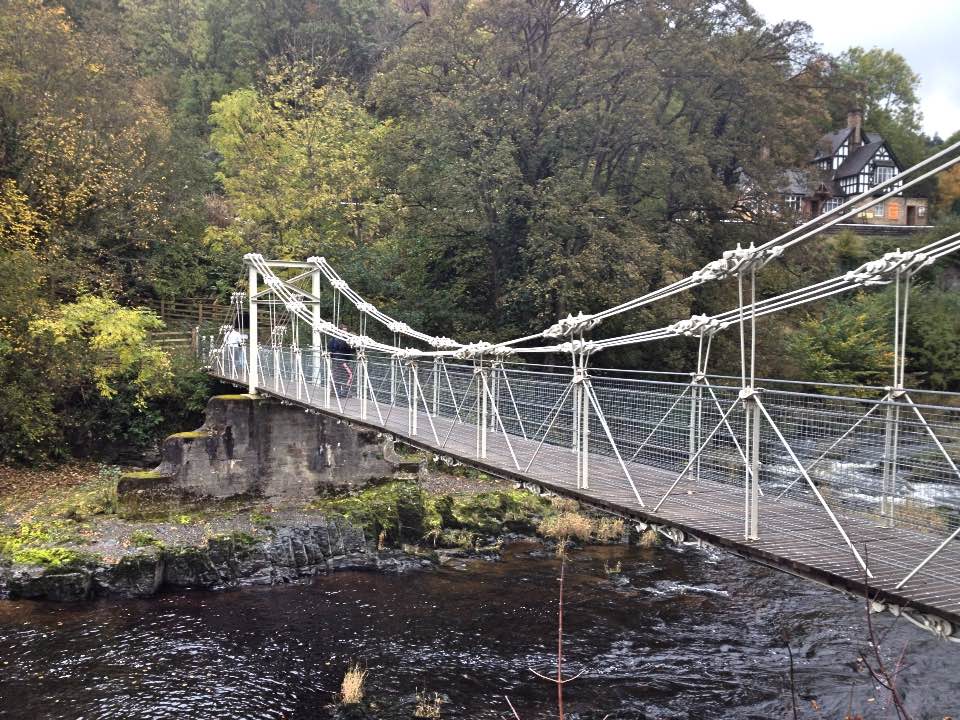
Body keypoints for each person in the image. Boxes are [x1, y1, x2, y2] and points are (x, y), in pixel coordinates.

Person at [327, 326, 355, 398]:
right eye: (343, 331)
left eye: (346, 331)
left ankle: (341, 392)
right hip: (340, 360)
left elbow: (350, 350)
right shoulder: (337, 339)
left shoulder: (344, 339)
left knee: (344, 376)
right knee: (345, 375)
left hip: (343, 360)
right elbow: (335, 348)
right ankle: (339, 392)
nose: (345, 332)